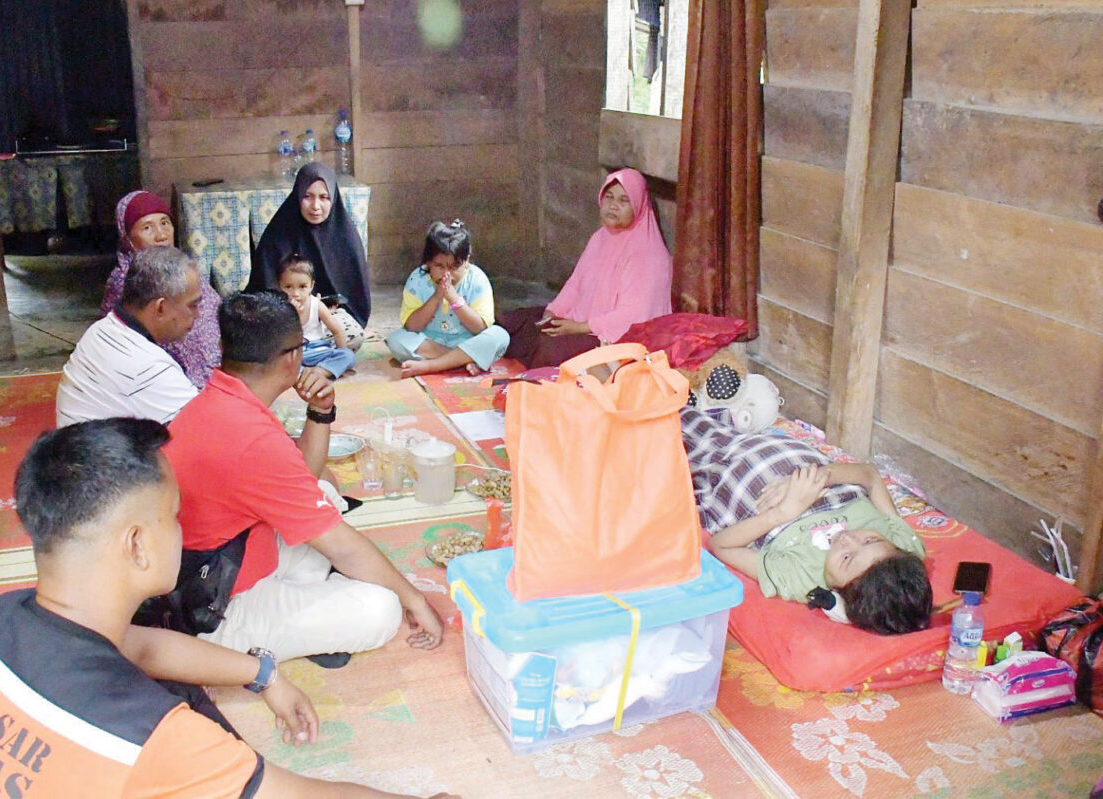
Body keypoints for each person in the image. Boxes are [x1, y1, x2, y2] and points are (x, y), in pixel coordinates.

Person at [0, 418, 456, 799]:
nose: (182, 529)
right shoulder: (151, 737)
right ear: (137, 544)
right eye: (173, 515)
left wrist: (264, 674)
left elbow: (137, 646)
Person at [165, 291, 444, 664]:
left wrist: (320, 411)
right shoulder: (252, 438)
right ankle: (268, 626)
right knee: (382, 609)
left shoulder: (221, 399)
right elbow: (341, 545)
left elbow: (303, 479)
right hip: (215, 605)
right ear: (292, 357)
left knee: (324, 493)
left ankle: (304, 600)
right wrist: (416, 599)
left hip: (227, 556)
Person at [683, 406, 932, 634]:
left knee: (674, 439)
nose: (848, 539)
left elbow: (721, 545)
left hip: (723, 472)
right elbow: (870, 476)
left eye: (846, 558)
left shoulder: (802, 578)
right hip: (788, 455)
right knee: (687, 414)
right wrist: (820, 477)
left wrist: (784, 512)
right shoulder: (901, 552)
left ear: (839, 594)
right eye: (870, 540)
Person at [501, 167, 672, 367]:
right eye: (609, 197)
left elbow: (634, 316)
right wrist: (553, 313)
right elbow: (576, 284)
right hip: (581, 323)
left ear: (638, 205)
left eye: (624, 200)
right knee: (515, 322)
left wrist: (579, 327)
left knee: (545, 348)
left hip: (611, 338)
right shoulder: (600, 238)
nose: (613, 206)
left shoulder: (649, 254)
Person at [57, 247, 201, 427]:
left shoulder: (99, 329)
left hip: (80, 440)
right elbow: (207, 427)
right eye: (192, 305)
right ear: (161, 308)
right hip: (98, 443)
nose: (198, 314)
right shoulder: (148, 368)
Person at [103, 190, 222, 388]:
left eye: (165, 223)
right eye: (147, 228)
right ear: (128, 239)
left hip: (216, 373)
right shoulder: (125, 283)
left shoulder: (184, 269)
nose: (161, 235)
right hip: (163, 382)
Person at [249, 162, 369, 347]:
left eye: (324, 197)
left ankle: (302, 352)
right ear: (297, 196)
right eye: (308, 196)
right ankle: (310, 352)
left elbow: (355, 295)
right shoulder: (279, 232)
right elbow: (264, 288)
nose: (315, 206)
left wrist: (323, 308)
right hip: (286, 316)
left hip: (326, 317)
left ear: (333, 198)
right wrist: (291, 304)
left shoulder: (345, 235)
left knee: (352, 334)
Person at [386, 220, 510, 378]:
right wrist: (437, 297)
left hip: (467, 340)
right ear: (428, 262)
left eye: (454, 267)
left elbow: (479, 328)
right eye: (439, 266)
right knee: (396, 340)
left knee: (499, 336)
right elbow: (412, 326)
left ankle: (431, 365)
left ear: (466, 261)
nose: (447, 274)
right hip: (431, 341)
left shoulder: (477, 279)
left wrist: (455, 299)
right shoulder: (417, 279)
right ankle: (463, 360)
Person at [277, 253, 357, 379]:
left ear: (311, 286)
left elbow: (336, 330)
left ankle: (318, 373)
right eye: (288, 287)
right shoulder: (279, 307)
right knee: (277, 363)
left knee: (349, 356)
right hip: (294, 353)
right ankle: (308, 374)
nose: (296, 293)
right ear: (279, 286)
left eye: (302, 287)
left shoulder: (316, 305)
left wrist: (342, 354)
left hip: (318, 350)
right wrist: (292, 316)